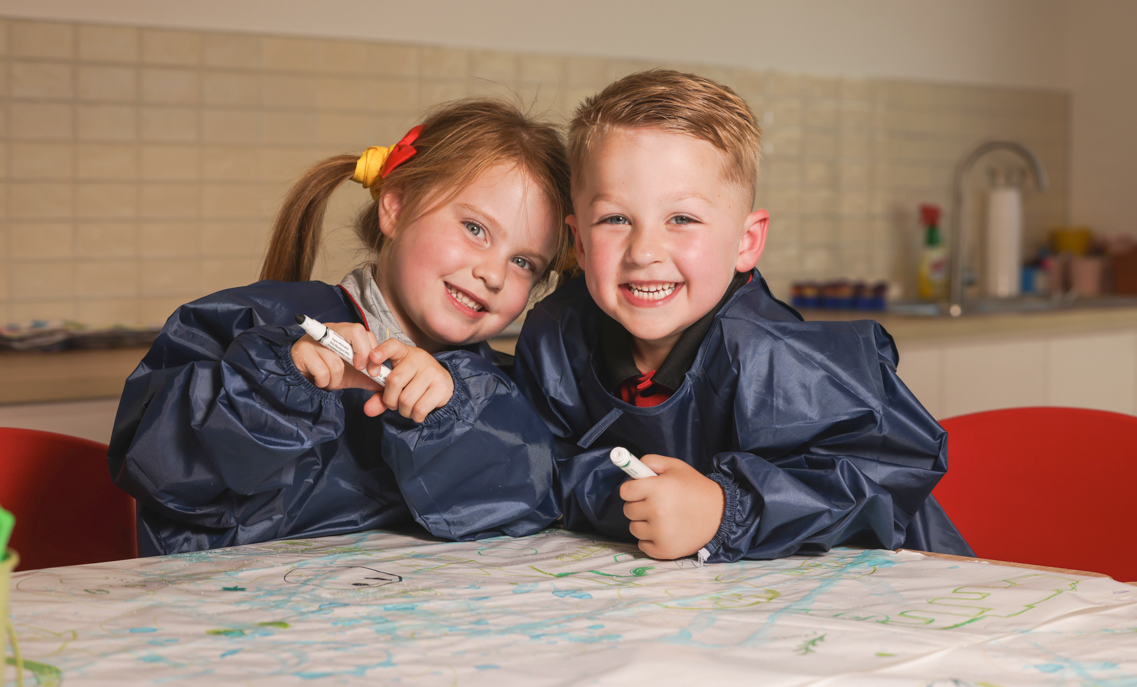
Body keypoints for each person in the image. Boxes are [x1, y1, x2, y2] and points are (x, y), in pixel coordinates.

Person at [515, 70, 972, 563]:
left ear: (746, 242)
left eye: (682, 219)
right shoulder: (556, 338)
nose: (644, 251)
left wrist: (725, 508)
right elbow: (536, 463)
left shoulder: (782, 358)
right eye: (615, 219)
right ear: (579, 242)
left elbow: (885, 474)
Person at [110, 99, 571, 555]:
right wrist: (277, 384)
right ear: (395, 206)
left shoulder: (499, 392)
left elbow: (528, 499)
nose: (494, 274)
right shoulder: (251, 323)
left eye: (523, 262)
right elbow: (157, 467)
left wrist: (455, 411)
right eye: (475, 228)